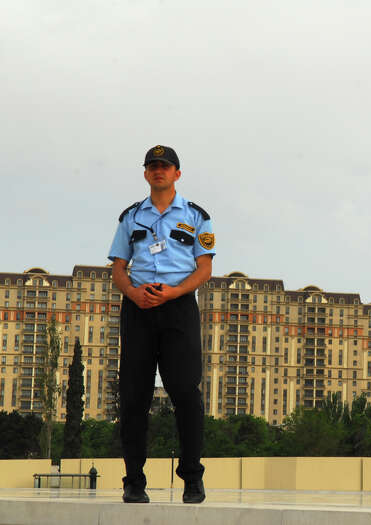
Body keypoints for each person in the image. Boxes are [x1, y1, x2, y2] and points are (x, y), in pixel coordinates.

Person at [108, 145, 216, 504]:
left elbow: (204, 269)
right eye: (153, 166)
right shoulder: (129, 217)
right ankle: (134, 481)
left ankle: (192, 478)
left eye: (165, 166)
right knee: (134, 396)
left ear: (177, 174)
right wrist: (134, 294)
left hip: (178, 308)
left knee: (186, 393)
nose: (159, 171)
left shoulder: (197, 217)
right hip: (138, 309)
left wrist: (172, 293)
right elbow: (118, 269)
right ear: (145, 174)